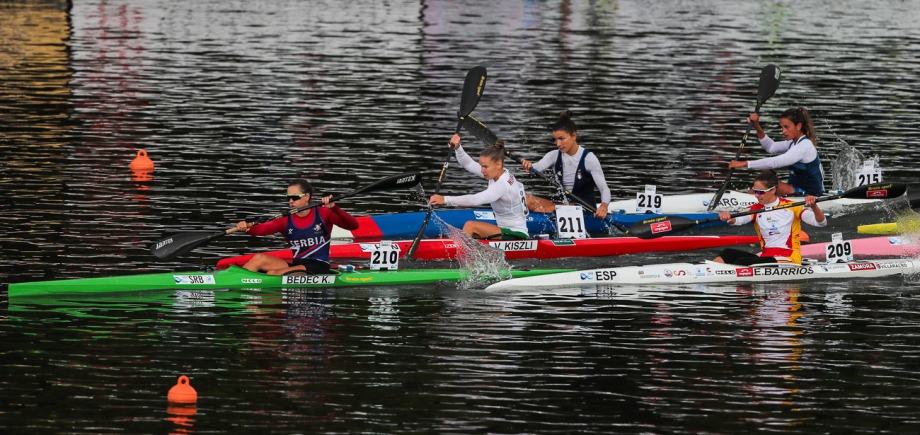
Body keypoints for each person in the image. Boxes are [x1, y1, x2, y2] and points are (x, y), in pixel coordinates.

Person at [235, 178, 359, 275]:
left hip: (318, 266)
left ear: (307, 197)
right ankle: (232, 281)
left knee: (273, 273)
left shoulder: (323, 213)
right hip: (297, 265)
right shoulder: (285, 219)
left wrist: (334, 208)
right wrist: (247, 228)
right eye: (288, 198)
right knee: (259, 258)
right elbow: (261, 229)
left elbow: (353, 225)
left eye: (295, 197)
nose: (291, 201)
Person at [714, 170, 826, 266]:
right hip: (766, 255)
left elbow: (821, 223)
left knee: (742, 261)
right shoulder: (755, 209)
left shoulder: (793, 207)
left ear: (773, 190)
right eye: (755, 191)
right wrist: (728, 217)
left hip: (789, 257)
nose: (756, 195)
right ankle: (708, 272)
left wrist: (814, 206)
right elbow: (738, 219)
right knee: (728, 253)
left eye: (760, 192)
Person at [429, 134, 530, 240]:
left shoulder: (501, 185)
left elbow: (475, 200)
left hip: (517, 236)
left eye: (485, 167)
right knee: (468, 233)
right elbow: (468, 163)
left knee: (470, 226)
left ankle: (455, 252)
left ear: (498, 164)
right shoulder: (499, 173)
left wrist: (445, 199)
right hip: (506, 230)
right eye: (481, 166)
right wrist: (458, 148)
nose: (482, 170)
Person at [520, 110, 612, 219]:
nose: (558, 144)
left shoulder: (589, 159)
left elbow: (604, 189)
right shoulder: (554, 155)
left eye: (562, 139)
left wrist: (604, 206)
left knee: (542, 209)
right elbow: (536, 167)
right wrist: (528, 165)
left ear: (574, 136)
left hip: (586, 210)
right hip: (564, 206)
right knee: (524, 199)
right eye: (556, 139)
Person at [728, 106, 825, 196]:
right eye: (782, 127)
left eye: (787, 127)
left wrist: (743, 164)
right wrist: (757, 127)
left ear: (798, 126)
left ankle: (743, 205)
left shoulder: (804, 146)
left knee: (764, 184)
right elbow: (771, 147)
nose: (783, 131)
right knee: (764, 183)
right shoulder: (793, 143)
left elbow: (776, 162)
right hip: (797, 190)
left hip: (811, 195)